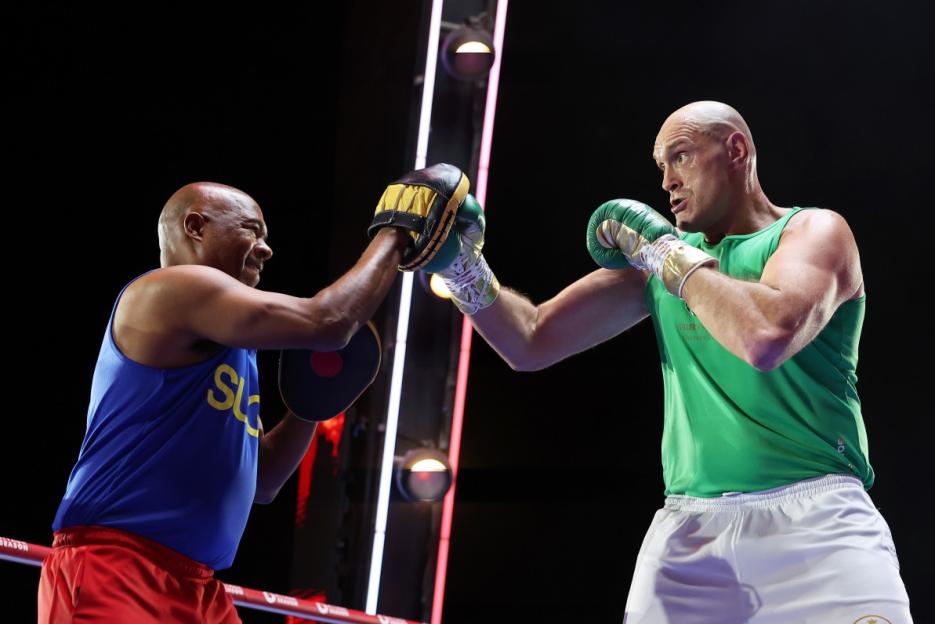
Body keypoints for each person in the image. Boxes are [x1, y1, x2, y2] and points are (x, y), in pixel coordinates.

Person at [427, 101, 913, 622]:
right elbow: (530, 341)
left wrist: (664, 255)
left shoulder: (814, 232)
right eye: (660, 166)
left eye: (680, 157)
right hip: (691, 536)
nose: (666, 182)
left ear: (736, 150)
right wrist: (460, 267)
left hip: (821, 527)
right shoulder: (658, 262)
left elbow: (767, 336)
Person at [38, 181, 422, 623]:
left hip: (199, 585)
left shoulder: (238, 351)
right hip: (117, 565)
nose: (266, 249)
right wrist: (396, 232)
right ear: (196, 226)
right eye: (251, 231)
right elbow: (329, 321)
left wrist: (312, 404)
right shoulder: (173, 289)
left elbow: (264, 482)